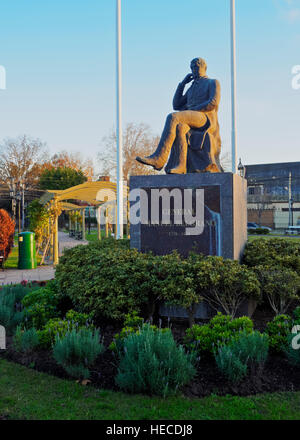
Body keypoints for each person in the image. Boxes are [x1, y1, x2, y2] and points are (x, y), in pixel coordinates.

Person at [136, 58, 222, 174]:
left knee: (173, 117)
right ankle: (181, 165)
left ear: (204, 68)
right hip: (190, 118)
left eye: (197, 66)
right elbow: (176, 105)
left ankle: (160, 158)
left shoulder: (212, 82)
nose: (194, 69)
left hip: (204, 118)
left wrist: (192, 110)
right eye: (192, 67)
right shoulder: (191, 88)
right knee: (180, 127)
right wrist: (182, 84)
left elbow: (213, 102)